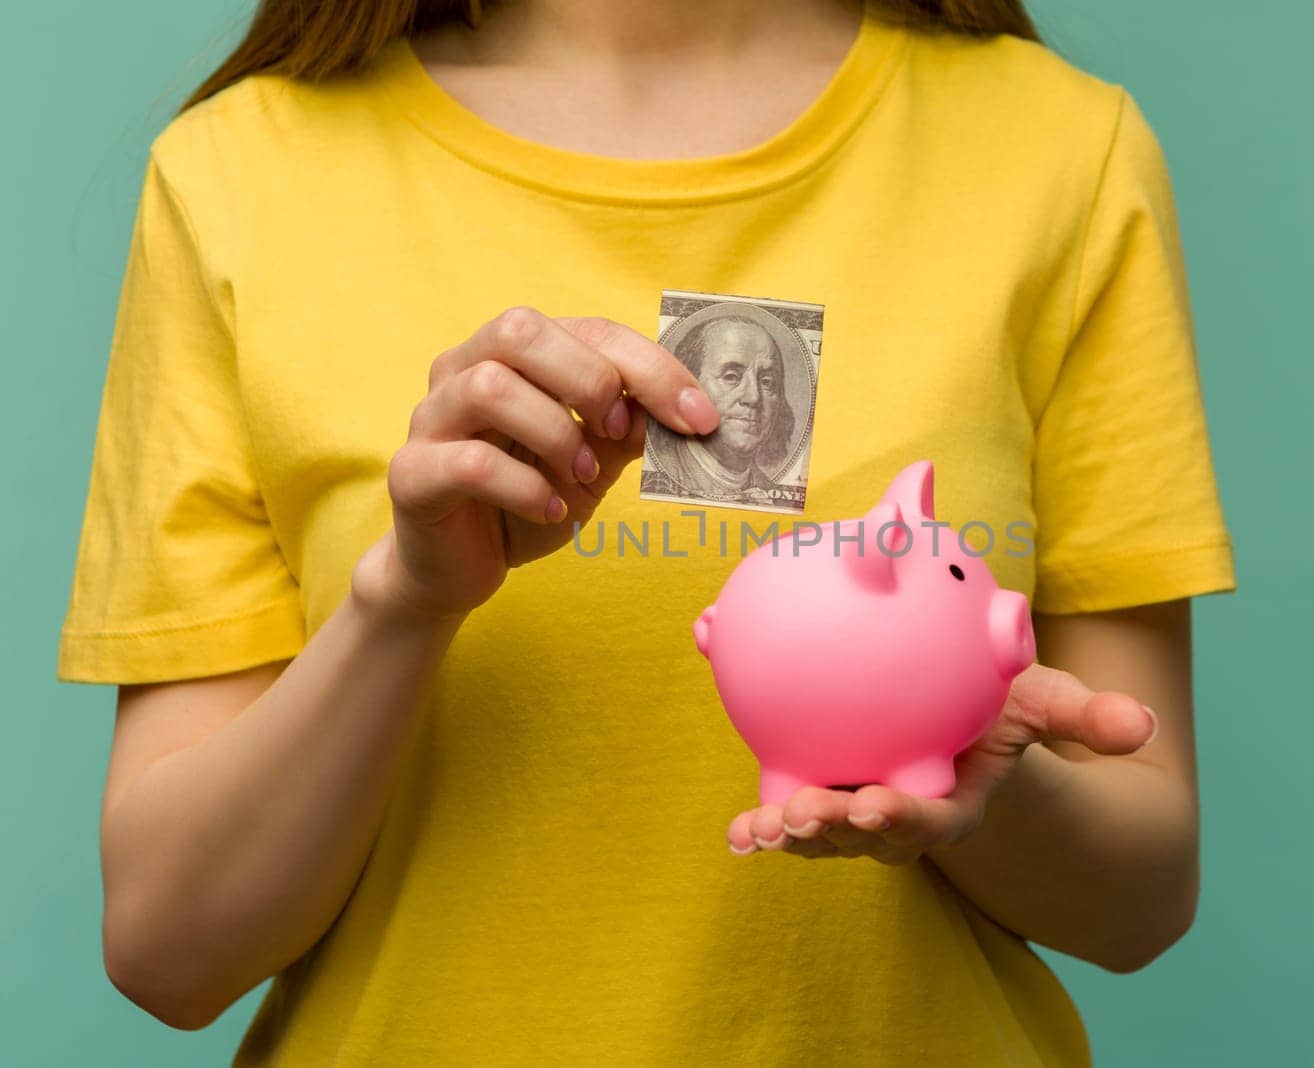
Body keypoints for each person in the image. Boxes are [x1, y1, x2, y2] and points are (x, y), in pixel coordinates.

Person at [56, 0, 1239, 1063]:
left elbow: (1140, 904)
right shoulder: (241, 175)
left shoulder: (1056, 153)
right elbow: (169, 954)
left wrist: (974, 762)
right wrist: (404, 601)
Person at [646, 313, 797, 503]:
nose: (753, 397)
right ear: (689, 383)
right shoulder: (659, 478)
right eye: (731, 376)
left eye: (767, 382)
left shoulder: (774, 495)